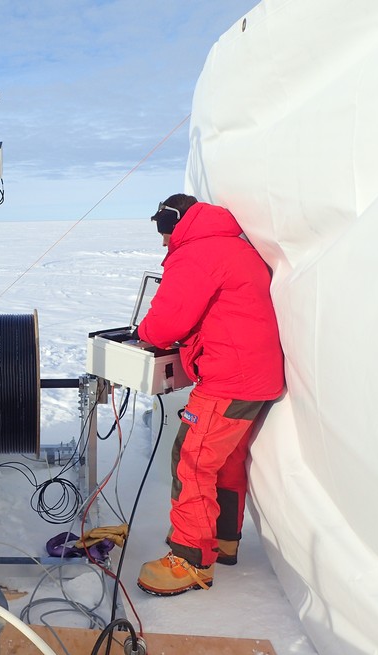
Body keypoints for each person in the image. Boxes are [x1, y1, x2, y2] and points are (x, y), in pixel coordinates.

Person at [134, 194, 284, 596]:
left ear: (175, 224)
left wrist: (145, 335)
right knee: (225, 461)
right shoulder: (234, 245)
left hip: (228, 379)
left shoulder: (197, 253)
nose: (164, 243)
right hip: (256, 377)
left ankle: (189, 559)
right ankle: (223, 541)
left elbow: (163, 325)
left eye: (164, 233)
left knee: (193, 461)